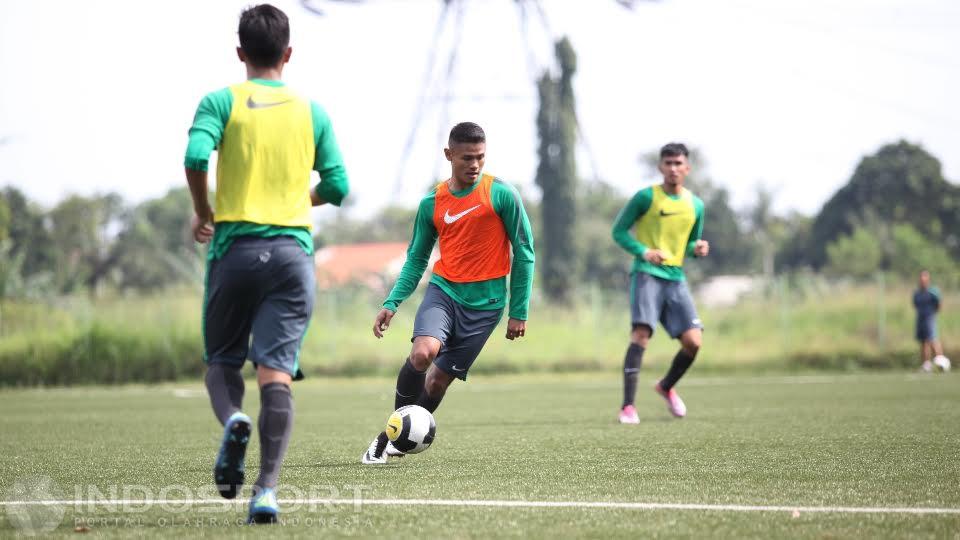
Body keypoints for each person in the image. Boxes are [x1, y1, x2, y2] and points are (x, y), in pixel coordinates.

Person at [183, 4, 349, 524]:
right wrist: (304, 202)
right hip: (291, 258)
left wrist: (203, 212)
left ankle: (234, 418)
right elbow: (340, 186)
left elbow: (194, 158)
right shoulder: (312, 111)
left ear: (240, 53)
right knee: (275, 374)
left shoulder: (220, 101)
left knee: (222, 364)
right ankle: (266, 492)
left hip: (234, 250)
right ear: (289, 52)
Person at [361, 121, 535, 464]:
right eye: (467, 158)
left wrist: (520, 310)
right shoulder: (432, 203)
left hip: (487, 306)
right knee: (423, 355)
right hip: (444, 292)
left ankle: (392, 440)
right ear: (449, 155)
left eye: (480, 158)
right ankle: (393, 433)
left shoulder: (502, 194)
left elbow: (525, 251)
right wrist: (392, 302)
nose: (474, 165)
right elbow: (415, 260)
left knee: (438, 382)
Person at [611, 143, 708, 424]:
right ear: (660, 167)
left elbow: (689, 243)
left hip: (675, 278)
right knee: (641, 333)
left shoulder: (696, 205)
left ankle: (666, 386)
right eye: (668, 163)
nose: (673, 168)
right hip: (646, 274)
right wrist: (644, 251)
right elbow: (618, 231)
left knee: (694, 343)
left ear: (687, 168)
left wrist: (696, 249)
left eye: (678, 164)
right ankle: (628, 407)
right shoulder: (645, 198)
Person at [913, 270, 950, 372]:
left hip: (930, 318)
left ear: (928, 279)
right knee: (923, 341)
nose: (922, 280)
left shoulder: (933, 291)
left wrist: (933, 313)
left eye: (924, 277)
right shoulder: (917, 293)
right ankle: (926, 364)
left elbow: (939, 304)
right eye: (921, 277)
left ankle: (941, 362)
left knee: (932, 339)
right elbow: (915, 304)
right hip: (920, 318)